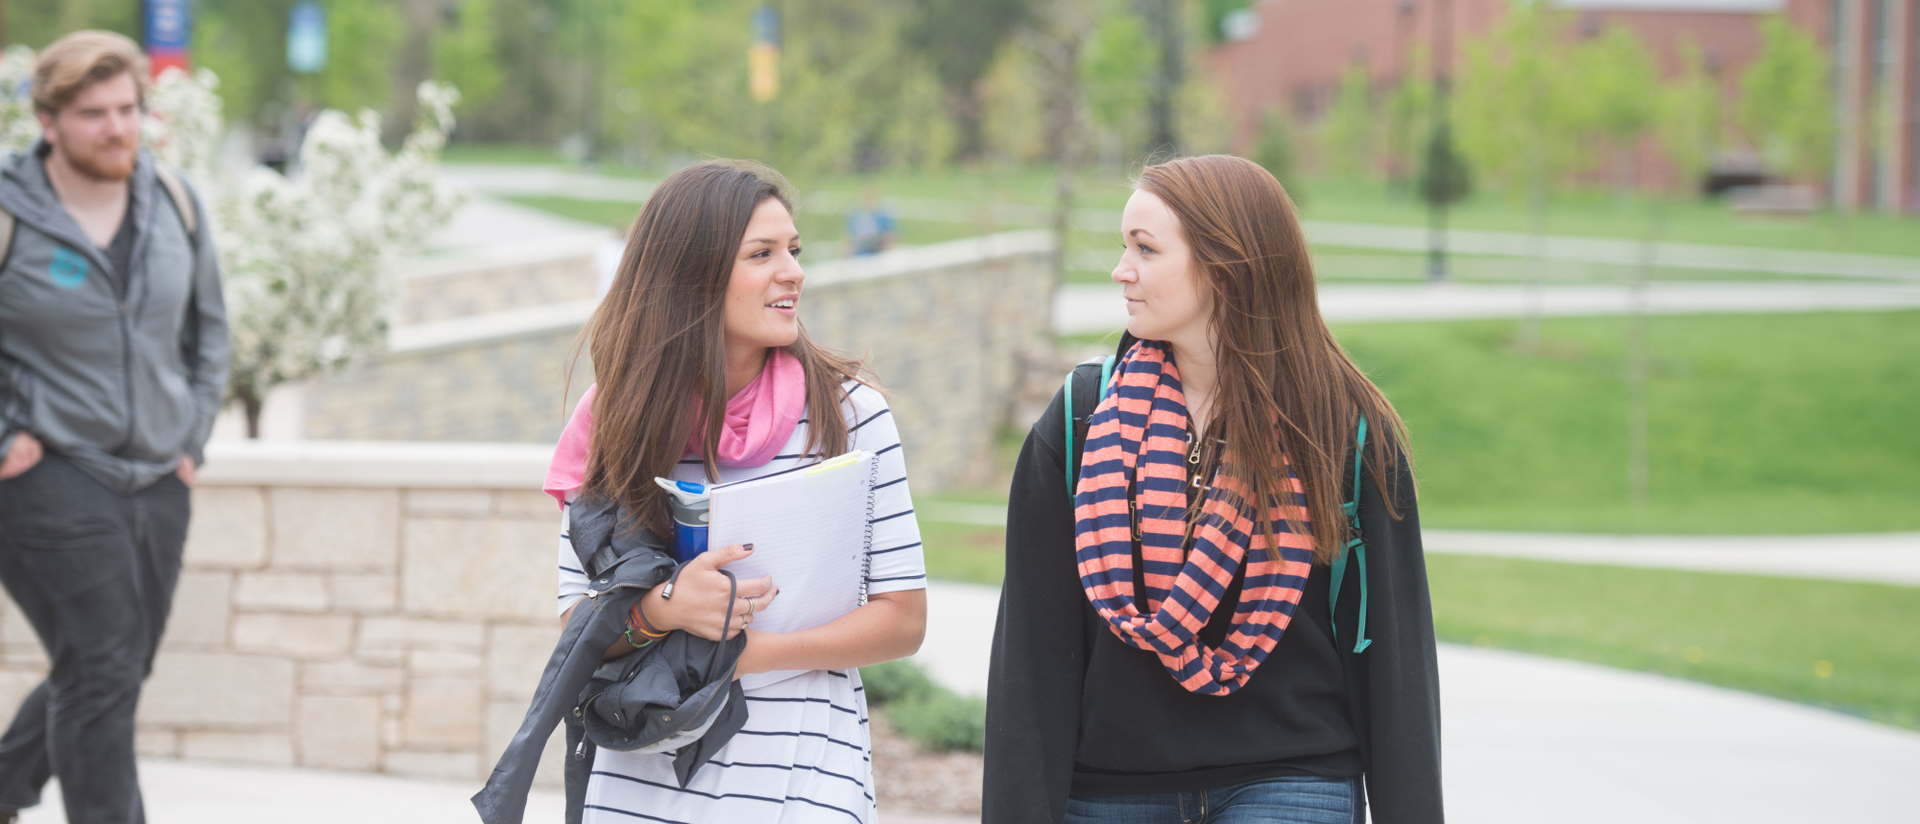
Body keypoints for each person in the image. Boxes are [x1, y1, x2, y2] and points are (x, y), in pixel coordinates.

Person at [984, 155, 1442, 824]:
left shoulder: (1341, 425)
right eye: (1124, 246)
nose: (1121, 269)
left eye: (1145, 248)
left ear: (1225, 264)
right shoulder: (1083, 418)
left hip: (1293, 779)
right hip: (1109, 789)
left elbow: (1395, 657)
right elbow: (1032, 651)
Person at [542, 160, 927, 823]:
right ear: (694, 275)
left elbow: (903, 619)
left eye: (794, 251)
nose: (794, 271)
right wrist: (663, 610)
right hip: (640, 785)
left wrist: (754, 655)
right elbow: (576, 631)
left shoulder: (853, 416)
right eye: (763, 254)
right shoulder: (615, 423)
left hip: (803, 783)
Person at [0, 30, 228, 824]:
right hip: (50, 467)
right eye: (93, 113)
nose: (116, 128)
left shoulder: (175, 201)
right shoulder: (9, 212)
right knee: (100, 666)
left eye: (128, 109)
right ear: (50, 121)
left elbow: (210, 335)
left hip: (160, 473)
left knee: (114, 665)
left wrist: (191, 439)